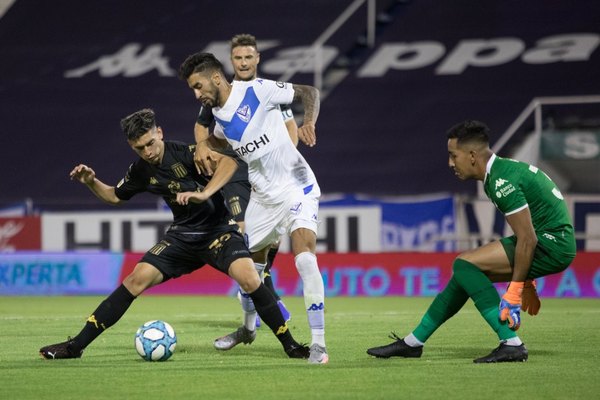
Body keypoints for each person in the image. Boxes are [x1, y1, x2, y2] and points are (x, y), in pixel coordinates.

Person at [39, 108, 309, 360]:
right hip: (182, 236)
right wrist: (91, 182)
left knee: (250, 279)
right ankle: (76, 346)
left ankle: (291, 346)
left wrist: (203, 193)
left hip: (219, 232)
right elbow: (114, 196)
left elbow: (229, 164)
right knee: (135, 280)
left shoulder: (188, 153)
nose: (147, 152)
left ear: (160, 133)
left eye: (150, 143)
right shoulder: (140, 171)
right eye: (139, 148)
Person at [367, 120, 576, 363]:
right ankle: (414, 342)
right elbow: (525, 234)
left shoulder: (501, 183)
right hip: (549, 241)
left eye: (453, 155)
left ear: (472, 156)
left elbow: (528, 237)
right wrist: (527, 282)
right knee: (465, 275)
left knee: (465, 264)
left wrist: (516, 290)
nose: (450, 163)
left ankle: (511, 343)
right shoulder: (500, 174)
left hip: (552, 245)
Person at [179, 52, 328, 364]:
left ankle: (319, 344)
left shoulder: (256, 90)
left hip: (296, 184)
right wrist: (205, 147)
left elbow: (309, 92)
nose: (197, 94)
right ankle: (247, 330)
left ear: (216, 77)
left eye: (198, 86)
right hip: (262, 197)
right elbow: (222, 143)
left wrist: (308, 122)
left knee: (305, 259)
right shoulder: (218, 117)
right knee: (251, 274)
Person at [193, 34, 296, 339]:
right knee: (243, 231)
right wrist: (202, 146)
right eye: (238, 58)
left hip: (269, 172)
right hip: (238, 170)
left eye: (248, 57)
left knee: (271, 241)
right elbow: (202, 125)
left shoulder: (267, 91)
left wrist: (286, 160)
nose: (243, 63)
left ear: (257, 59)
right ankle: (264, 300)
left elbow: (290, 126)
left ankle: (260, 291)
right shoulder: (222, 93)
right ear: (231, 61)